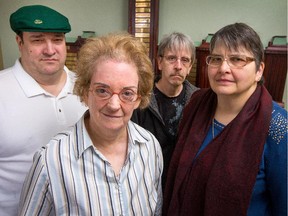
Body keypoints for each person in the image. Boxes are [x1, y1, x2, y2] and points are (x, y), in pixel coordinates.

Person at [18, 32, 163, 215]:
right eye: (102, 90)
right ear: (85, 93)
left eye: (127, 93)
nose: (113, 105)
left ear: (137, 99)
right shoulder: (51, 161)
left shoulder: (150, 147)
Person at [163, 23, 287, 216]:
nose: (223, 68)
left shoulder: (278, 127)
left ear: (259, 70)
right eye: (216, 59)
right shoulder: (196, 105)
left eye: (237, 59)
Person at [0, 5, 87, 216]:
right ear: (20, 42)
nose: (50, 50)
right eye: (38, 40)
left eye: (57, 39)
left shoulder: (88, 89)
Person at [131, 32, 198, 190]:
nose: (178, 66)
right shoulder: (141, 99)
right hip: (145, 184)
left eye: (185, 60)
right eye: (171, 58)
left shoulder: (198, 101)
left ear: (190, 67)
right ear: (160, 62)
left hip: (183, 187)